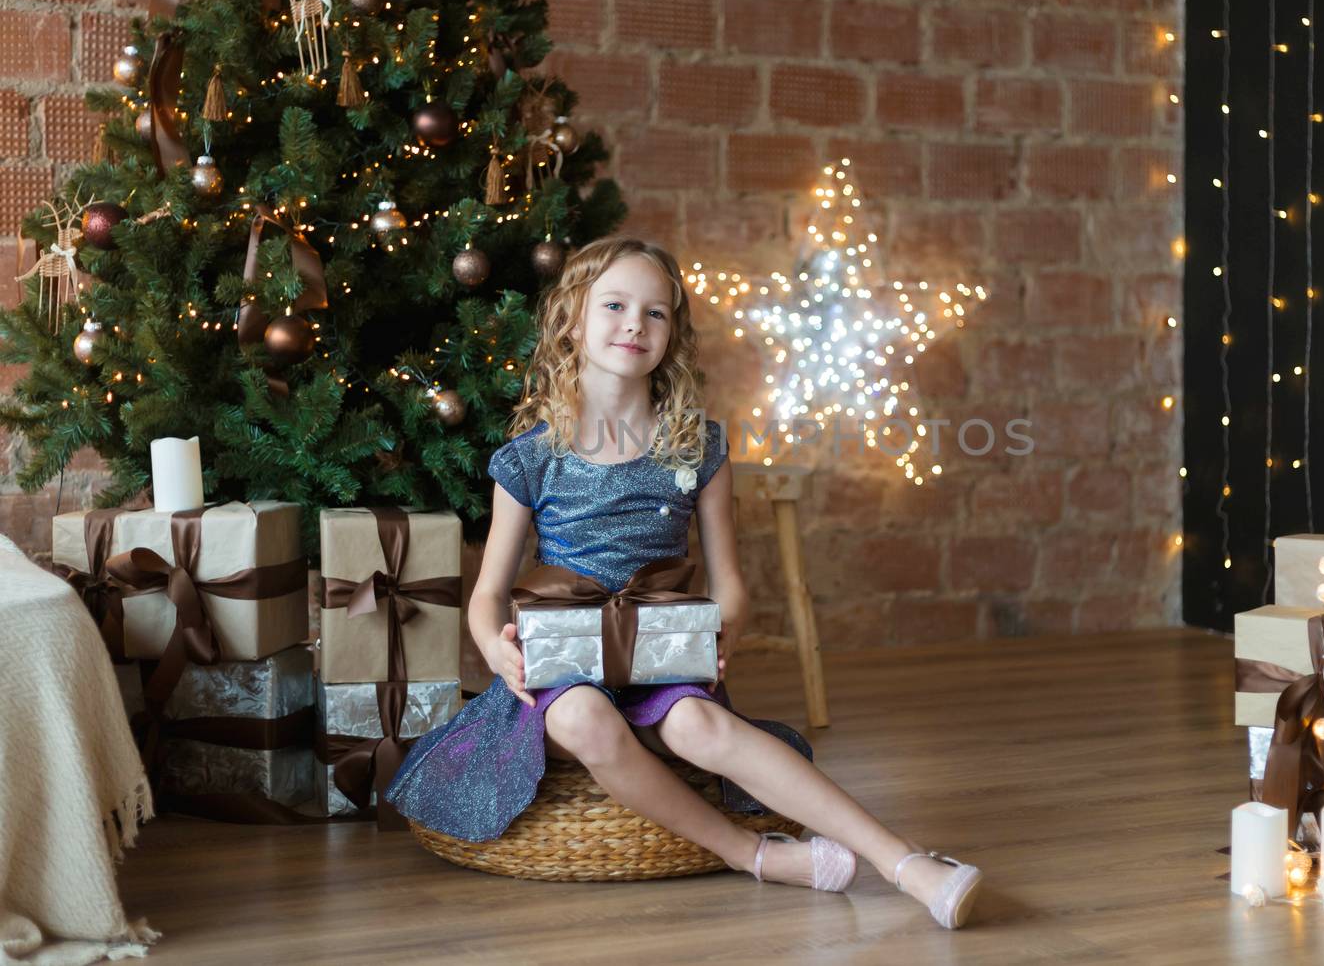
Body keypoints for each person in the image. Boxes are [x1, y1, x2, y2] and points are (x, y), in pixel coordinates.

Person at [386, 237, 982, 929]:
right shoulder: (531, 457)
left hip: (659, 657)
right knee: (582, 713)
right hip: (559, 669)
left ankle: (907, 862)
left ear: (673, 334)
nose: (634, 324)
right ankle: (748, 852)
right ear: (571, 320)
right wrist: (496, 648)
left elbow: (731, 582)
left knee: (699, 721)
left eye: (656, 313)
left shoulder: (699, 446)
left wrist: (722, 630)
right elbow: (488, 591)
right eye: (614, 305)